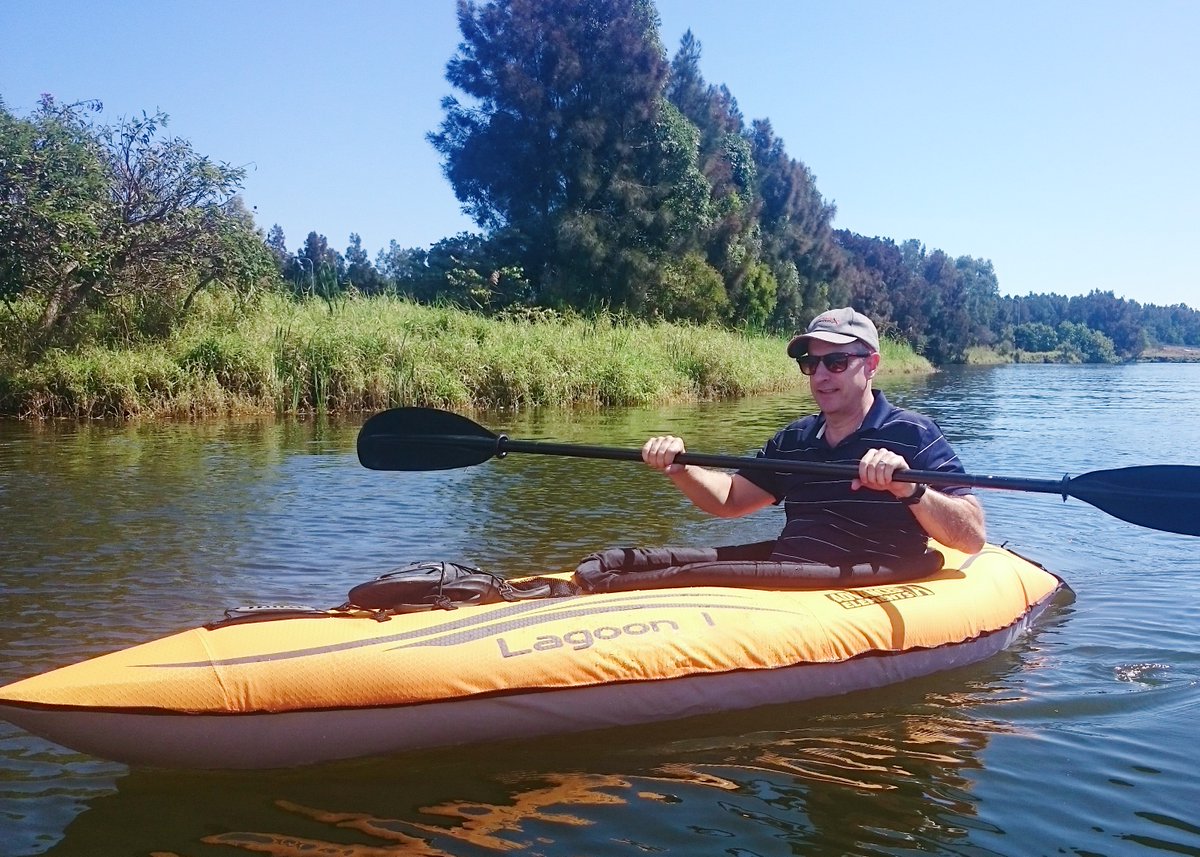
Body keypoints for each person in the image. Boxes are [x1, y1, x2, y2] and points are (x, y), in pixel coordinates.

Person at [641, 307, 986, 569]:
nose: (820, 375)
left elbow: (971, 537)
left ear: (871, 365)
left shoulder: (915, 434)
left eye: (836, 362)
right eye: (811, 363)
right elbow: (730, 499)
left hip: (863, 592)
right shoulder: (795, 439)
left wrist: (909, 489)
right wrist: (681, 467)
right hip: (789, 581)